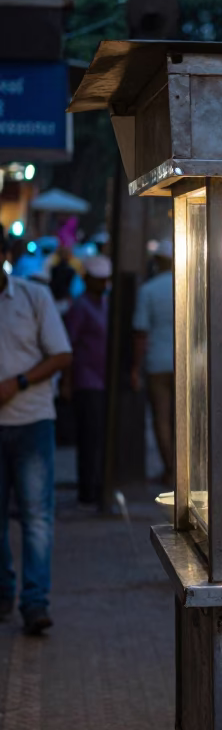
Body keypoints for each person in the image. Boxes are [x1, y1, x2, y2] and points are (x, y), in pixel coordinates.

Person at [0, 228, 73, 634]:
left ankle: (34, 602)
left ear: (4, 255)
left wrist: (18, 382)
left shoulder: (32, 296)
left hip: (31, 421)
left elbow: (62, 354)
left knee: (36, 518)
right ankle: (3, 592)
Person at [63, 255, 112, 505]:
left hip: (103, 380)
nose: (103, 284)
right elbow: (68, 346)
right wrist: (67, 382)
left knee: (100, 437)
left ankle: (96, 484)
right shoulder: (80, 307)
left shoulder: (104, 304)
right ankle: (87, 489)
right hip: (86, 379)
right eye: (99, 280)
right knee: (89, 437)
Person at [131, 241, 174, 483]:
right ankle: (184, 469)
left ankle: (169, 468)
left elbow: (140, 333)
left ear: (157, 262)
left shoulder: (148, 290)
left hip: (157, 362)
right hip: (186, 364)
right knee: (184, 418)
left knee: (161, 418)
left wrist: (135, 368)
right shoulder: (190, 288)